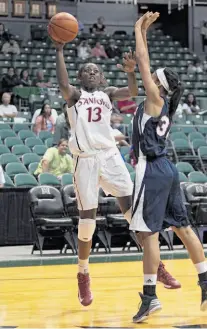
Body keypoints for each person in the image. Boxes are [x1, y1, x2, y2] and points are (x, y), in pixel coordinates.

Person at [53, 38, 181, 308]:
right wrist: (60, 49)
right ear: (80, 77)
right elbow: (64, 86)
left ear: (101, 78)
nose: (92, 73)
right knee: (88, 220)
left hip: (110, 156)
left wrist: (131, 71)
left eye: (96, 71)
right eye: (86, 70)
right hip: (85, 160)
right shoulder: (76, 96)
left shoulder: (108, 93)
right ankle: (83, 273)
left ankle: (156, 267)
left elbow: (133, 92)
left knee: (134, 215)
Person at [131, 12, 207, 323]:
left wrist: (138, 28)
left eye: (153, 76)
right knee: (183, 228)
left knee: (147, 234)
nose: (149, 77)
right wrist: (146, 32)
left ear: (157, 84)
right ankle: (205, 281)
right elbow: (144, 66)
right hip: (167, 168)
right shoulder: (163, 103)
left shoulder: (154, 99)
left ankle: (150, 297)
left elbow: (142, 60)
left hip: (151, 170)